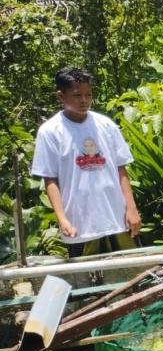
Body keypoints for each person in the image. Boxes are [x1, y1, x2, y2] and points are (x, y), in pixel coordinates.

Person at [31, 67, 142, 258]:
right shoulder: (50, 131)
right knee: (90, 282)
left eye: (88, 95)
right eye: (76, 95)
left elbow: (121, 169)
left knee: (134, 272)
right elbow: (50, 179)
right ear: (61, 96)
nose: (84, 100)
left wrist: (131, 209)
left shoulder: (106, 125)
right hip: (80, 224)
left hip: (117, 218)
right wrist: (62, 219)